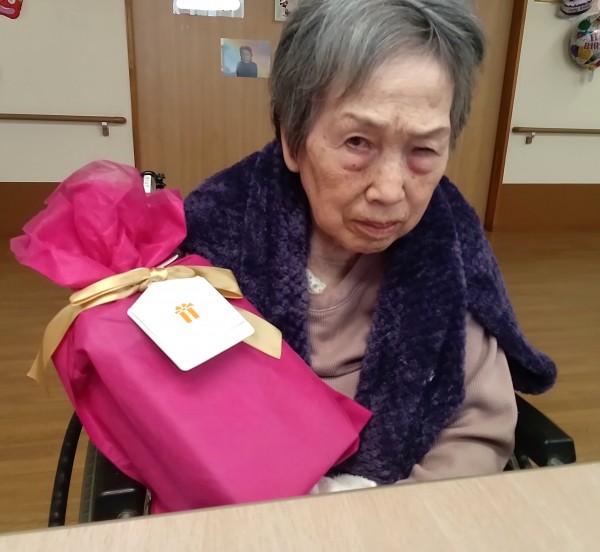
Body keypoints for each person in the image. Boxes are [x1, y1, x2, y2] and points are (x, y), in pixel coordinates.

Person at [182, 0, 556, 491]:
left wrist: (384, 519)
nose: (390, 190)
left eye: (423, 149)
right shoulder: (212, 246)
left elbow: (477, 433)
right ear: (293, 140)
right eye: (358, 142)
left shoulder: (451, 259)